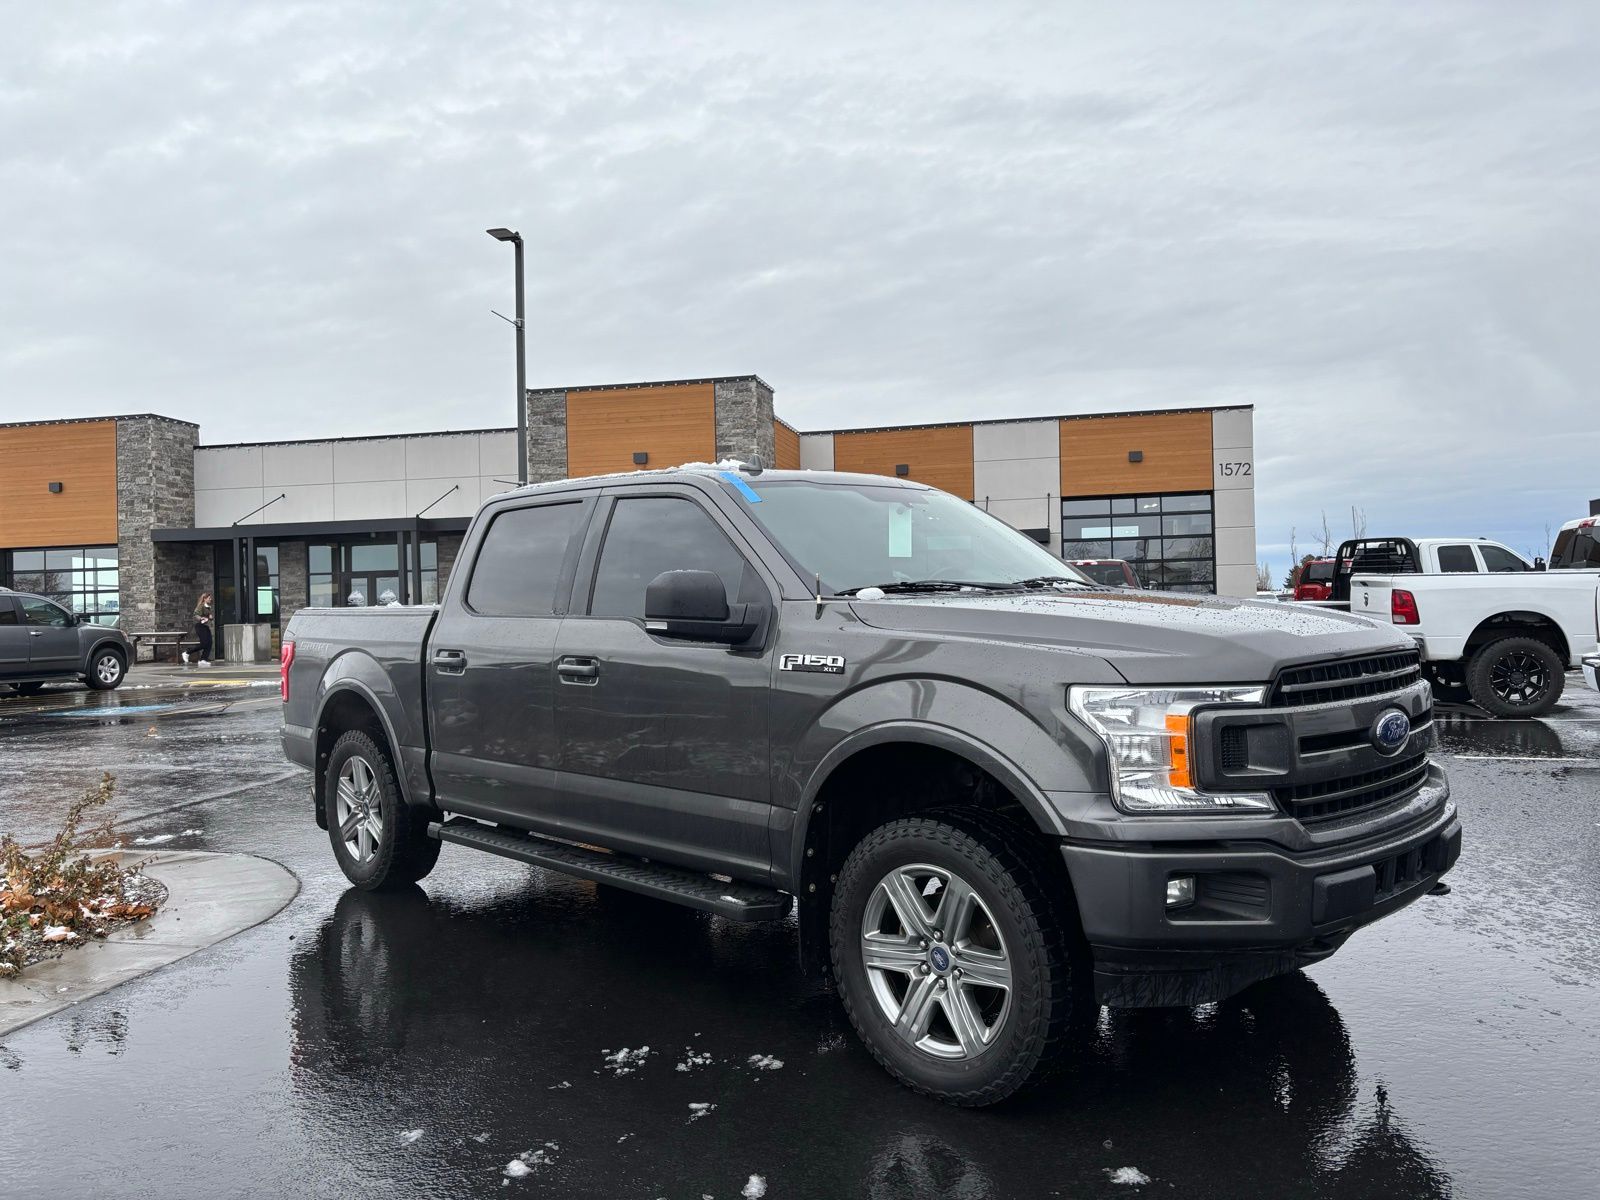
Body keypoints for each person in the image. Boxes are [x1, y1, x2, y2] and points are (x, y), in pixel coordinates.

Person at [183, 591, 213, 666]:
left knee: (209, 643)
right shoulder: (201, 606)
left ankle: (203, 659)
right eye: (209, 598)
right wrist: (201, 618)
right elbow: (196, 614)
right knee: (204, 643)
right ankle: (187, 652)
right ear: (205, 599)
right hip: (199, 626)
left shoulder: (208, 607)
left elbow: (208, 617)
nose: (210, 599)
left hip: (205, 626)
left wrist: (210, 617)